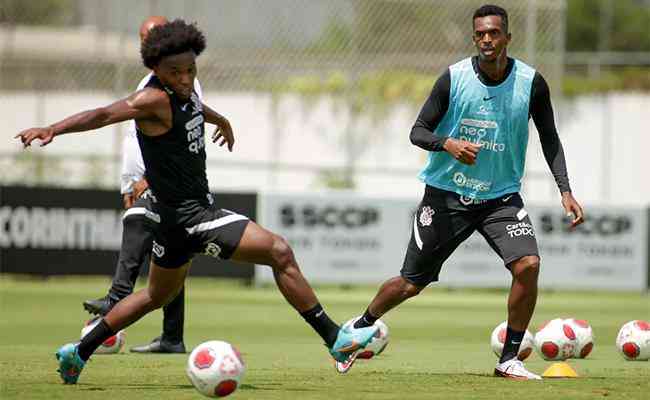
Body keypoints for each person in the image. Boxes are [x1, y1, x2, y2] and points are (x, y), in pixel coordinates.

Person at [16, 19, 378, 385]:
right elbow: (104, 114)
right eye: (176, 72)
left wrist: (221, 120)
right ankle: (335, 338)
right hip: (192, 216)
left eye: (191, 70)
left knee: (155, 295)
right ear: (155, 69)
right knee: (279, 251)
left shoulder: (184, 91)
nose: (186, 78)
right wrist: (53, 129)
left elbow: (196, 106)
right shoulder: (152, 98)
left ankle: (78, 352)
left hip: (176, 222)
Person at [336, 4, 585, 379]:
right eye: (480, 34)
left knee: (528, 265)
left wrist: (565, 190)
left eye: (494, 33)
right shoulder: (453, 79)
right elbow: (417, 131)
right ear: (475, 38)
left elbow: (549, 137)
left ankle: (509, 359)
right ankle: (355, 330)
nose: (487, 39)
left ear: (507, 38)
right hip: (446, 196)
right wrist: (448, 145)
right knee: (409, 284)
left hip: (501, 198)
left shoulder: (531, 82)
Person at [81, 15, 202, 354]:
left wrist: (149, 179)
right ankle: (172, 336)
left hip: (166, 184)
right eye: (145, 37)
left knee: (138, 224)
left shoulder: (179, 78)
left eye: (157, 36)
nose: (150, 42)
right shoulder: (148, 82)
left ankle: (118, 297)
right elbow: (136, 137)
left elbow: (182, 127)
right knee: (169, 263)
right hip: (141, 180)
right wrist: (127, 180)